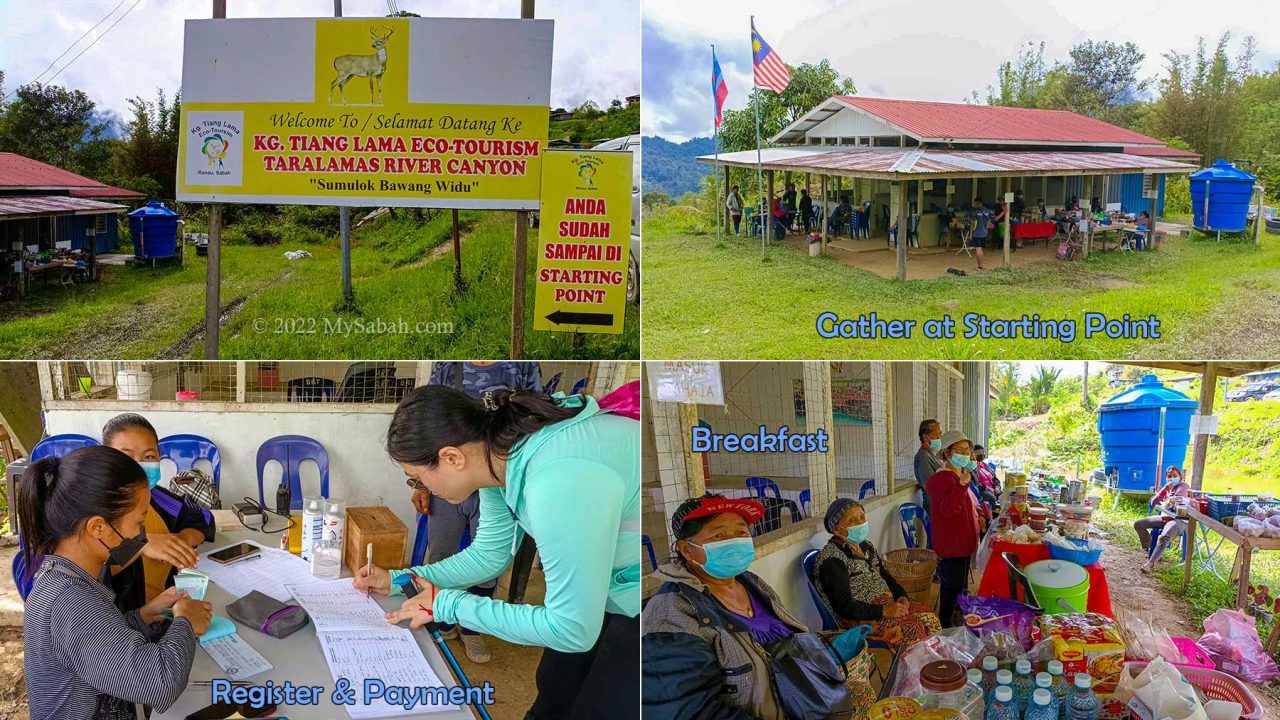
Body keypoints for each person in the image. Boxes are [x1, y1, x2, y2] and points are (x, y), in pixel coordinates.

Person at [355, 385, 639, 720]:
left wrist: (447, 604)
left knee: (598, 705)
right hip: (602, 589)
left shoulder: (557, 483)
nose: (422, 490)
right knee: (555, 686)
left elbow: (571, 628)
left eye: (417, 479)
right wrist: (404, 578)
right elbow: (489, 554)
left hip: (637, 602)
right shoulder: (495, 455)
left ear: (451, 458)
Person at [20, 446, 212, 720]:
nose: (143, 535)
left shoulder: (62, 573)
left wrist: (144, 615)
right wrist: (187, 623)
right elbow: (159, 685)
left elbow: (98, 645)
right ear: (98, 527)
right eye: (139, 521)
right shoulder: (70, 600)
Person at [642, 494, 865, 719]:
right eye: (719, 535)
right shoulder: (671, 616)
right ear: (686, 550)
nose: (734, 541)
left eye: (741, 532)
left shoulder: (752, 583)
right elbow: (684, 712)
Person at [413, 362, 543, 662]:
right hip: (449, 482)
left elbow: (533, 422)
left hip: (494, 479)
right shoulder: (448, 366)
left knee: (486, 568)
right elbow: (427, 433)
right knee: (442, 554)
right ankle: (444, 625)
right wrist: (423, 484)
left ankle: (472, 629)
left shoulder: (521, 365)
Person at [100, 414, 216, 613]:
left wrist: (179, 540)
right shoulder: (92, 508)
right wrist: (140, 544)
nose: (138, 465)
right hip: (117, 626)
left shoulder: (157, 498)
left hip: (166, 613)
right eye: (126, 456)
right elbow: (87, 571)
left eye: (149, 457)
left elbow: (202, 517)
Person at [813, 498, 941, 648]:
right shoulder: (832, 560)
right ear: (836, 529)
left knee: (930, 617)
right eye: (852, 520)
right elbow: (844, 606)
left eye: (862, 517)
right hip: (860, 618)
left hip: (885, 604)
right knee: (914, 630)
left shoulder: (866, 547)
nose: (860, 523)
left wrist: (901, 596)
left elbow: (885, 575)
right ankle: (913, 669)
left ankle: (933, 667)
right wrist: (884, 610)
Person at [925, 430, 982, 628]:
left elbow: (963, 509)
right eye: (961, 450)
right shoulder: (941, 479)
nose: (966, 455)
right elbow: (950, 510)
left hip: (963, 544)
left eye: (968, 451)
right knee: (951, 590)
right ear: (948, 453)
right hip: (952, 545)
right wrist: (961, 486)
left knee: (960, 588)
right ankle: (946, 627)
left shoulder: (958, 475)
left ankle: (958, 623)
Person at [1135, 466, 1191, 573]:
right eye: (1169, 476)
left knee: (1164, 536)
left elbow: (1176, 503)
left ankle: (1150, 564)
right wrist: (1163, 490)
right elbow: (1154, 502)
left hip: (1179, 520)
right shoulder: (1168, 488)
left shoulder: (1183, 486)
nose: (1172, 478)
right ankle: (1150, 548)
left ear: (1180, 477)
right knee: (1139, 524)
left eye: (1175, 475)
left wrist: (1168, 509)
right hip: (1166, 517)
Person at [914, 419, 943, 515]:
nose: (939, 437)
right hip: (935, 504)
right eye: (936, 435)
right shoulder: (923, 457)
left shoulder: (931, 454)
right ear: (925, 437)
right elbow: (929, 487)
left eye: (940, 434)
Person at [973, 445, 1001, 510]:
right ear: (973, 453)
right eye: (978, 452)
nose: (981, 454)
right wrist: (990, 489)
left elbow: (995, 479)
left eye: (983, 452)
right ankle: (993, 517)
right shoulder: (973, 467)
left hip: (993, 489)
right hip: (983, 490)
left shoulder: (986, 465)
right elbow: (976, 484)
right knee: (992, 499)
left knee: (1005, 497)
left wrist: (997, 487)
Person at [969, 199, 994, 270]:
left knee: (978, 250)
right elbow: (992, 220)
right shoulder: (988, 211)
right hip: (985, 234)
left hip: (976, 234)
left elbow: (972, 224)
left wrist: (971, 234)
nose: (975, 205)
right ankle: (982, 264)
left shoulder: (975, 213)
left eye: (975, 203)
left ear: (978, 203)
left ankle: (980, 266)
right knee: (982, 250)